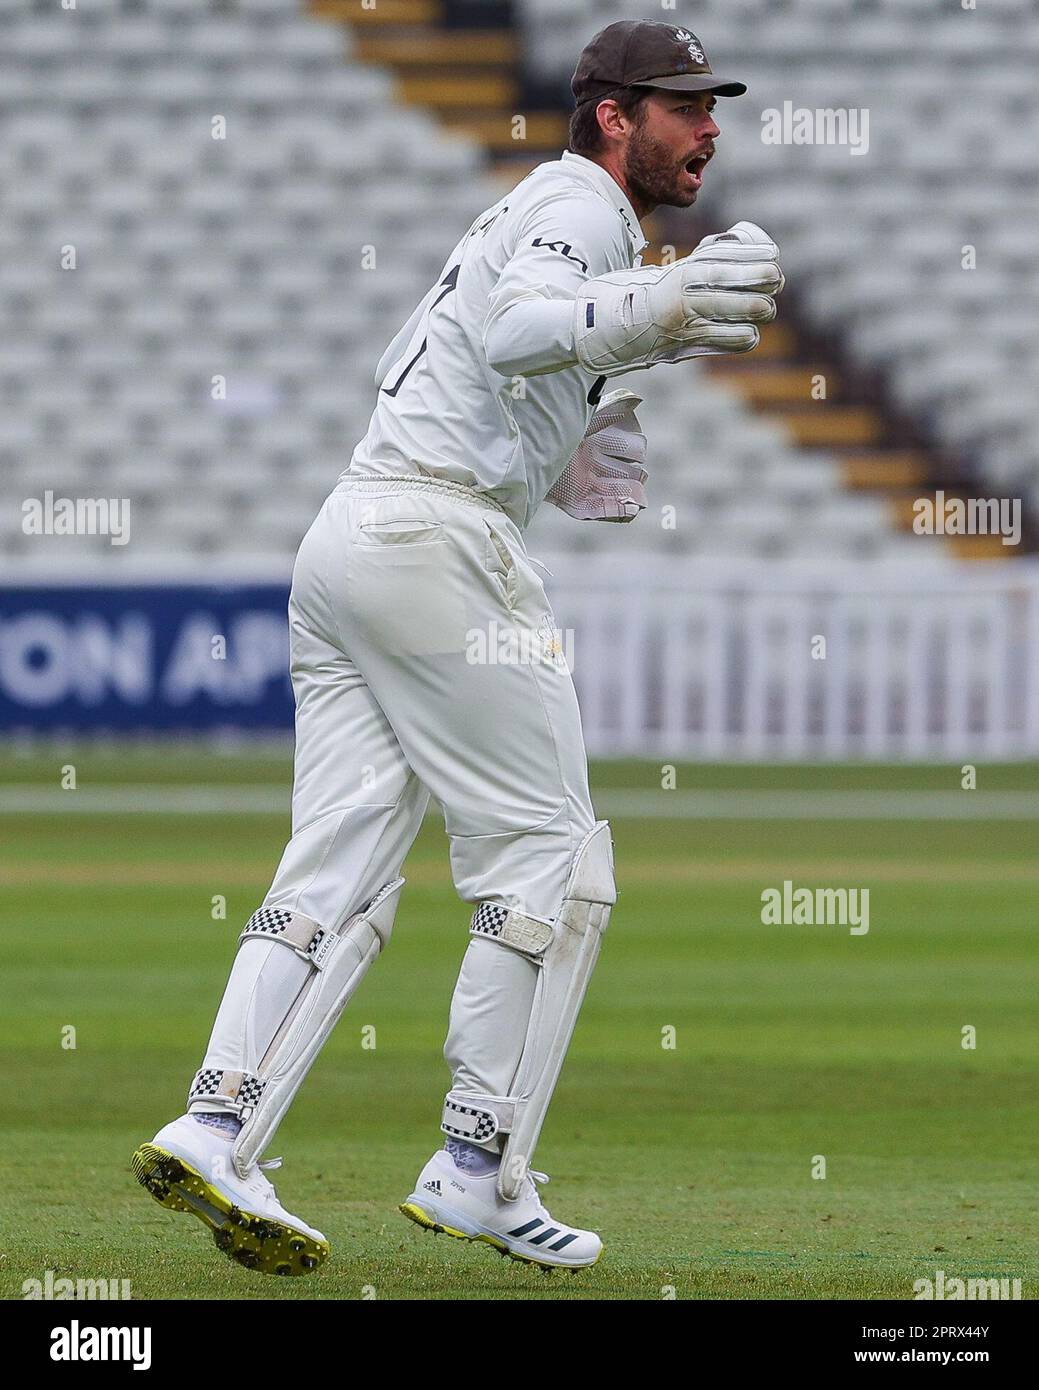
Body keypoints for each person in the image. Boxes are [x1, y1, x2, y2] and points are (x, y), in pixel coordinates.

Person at [132, 19, 783, 1276]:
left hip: (354, 537)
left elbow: (472, 360)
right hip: (435, 541)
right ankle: (477, 1164)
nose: (709, 129)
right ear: (612, 117)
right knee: (552, 859)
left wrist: (583, 427)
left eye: (714, 106)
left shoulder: (534, 216)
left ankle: (216, 1122)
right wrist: (654, 302)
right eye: (684, 107)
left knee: (342, 869)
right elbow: (517, 331)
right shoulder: (578, 206)